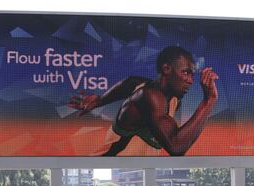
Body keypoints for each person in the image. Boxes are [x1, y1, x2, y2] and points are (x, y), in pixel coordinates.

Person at [68, 46, 218, 156]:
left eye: (192, 75)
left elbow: (129, 82)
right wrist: (209, 100)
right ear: (166, 69)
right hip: (109, 166)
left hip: (142, 168)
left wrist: (99, 100)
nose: (190, 81)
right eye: (185, 73)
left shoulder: (171, 98)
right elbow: (176, 147)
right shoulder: (150, 96)